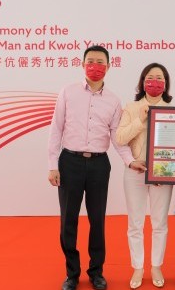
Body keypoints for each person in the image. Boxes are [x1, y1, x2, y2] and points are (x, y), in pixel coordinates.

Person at [48, 45, 146, 290]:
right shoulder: (68, 92)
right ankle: (72, 273)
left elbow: (117, 137)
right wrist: (53, 165)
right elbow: (56, 129)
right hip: (69, 162)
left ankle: (96, 272)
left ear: (108, 67)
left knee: (97, 220)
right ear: (82, 64)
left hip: (99, 165)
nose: (95, 66)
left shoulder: (113, 100)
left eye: (100, 62)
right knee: (68, 220)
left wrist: (129, 160)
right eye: (90, 61)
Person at [116, 63, 174, 289]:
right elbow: (120, 138)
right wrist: (141, 119)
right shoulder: (131, 107)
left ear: (166, 83)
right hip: (135, 172)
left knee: (160, 222)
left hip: (163, 174)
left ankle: (156, 265)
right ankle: (138, 267)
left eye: (160, 78)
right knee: (135, 223)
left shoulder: (174, 109)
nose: (155, 82)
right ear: (142, 82)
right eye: (150, 78)